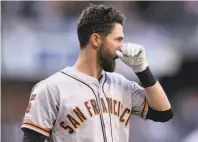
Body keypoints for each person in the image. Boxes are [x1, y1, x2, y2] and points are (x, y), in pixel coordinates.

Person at [21, 4, 173, 142]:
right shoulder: (51, 88)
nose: (121, 47)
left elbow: (163, 113)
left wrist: (142, 70)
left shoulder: (121, 84)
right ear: (96, 40)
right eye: (117, 40)